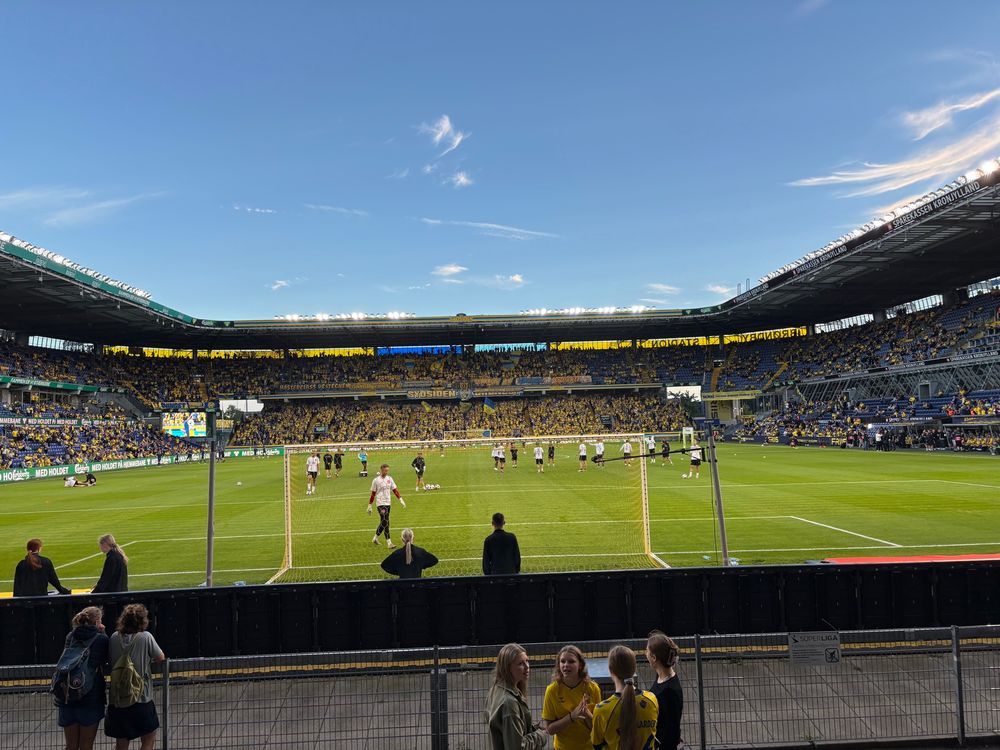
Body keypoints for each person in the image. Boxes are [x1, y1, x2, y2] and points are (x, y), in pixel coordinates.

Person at [105, 603, 165, 750]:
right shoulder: (145, 637)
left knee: (121, 742)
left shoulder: (113, 637)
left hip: (118, 698)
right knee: (149, 737)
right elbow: (160, 657)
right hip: (141, 696)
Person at [57, 606, 110, 750]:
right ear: (98, 621)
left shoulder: (70, 636)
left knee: (71, 746)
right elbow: (107, 660)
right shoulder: (102, 639)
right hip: (90, 697)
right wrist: (103, 632)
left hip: (67, 694)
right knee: (86, 745)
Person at [591, 644, 658, 750]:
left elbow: (597, 744)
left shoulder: (602, 710)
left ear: (610, 670)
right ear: (634, 668)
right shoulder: (651, 700)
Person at [485, 643, 547, 750]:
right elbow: (517, 747)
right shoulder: (510, 702)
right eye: (520, 663)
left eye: (527, 661)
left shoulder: (495, 690)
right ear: (507, 667)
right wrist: (541, 735)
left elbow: (503, 731)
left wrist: (529, 727)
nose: (527, 667)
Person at [541, 644, 602, 750]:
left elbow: (597, 729)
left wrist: (587, 714)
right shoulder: (552, 691)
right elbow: (550, 729)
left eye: (571, 661)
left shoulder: (592, 688)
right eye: (562, 661)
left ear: (580, 665)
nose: (566, 665)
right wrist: (571, 717)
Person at [646, 630, 683, 750]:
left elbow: (670, 731)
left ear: (654, 658)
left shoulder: (669, 691)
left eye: (647, 651)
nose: (645, 653)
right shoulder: (662, 677)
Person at [368, 463, 405, 547]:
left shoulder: (390, 479)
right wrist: (370, 505)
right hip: (380, 503)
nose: (386, 472)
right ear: (381, 470)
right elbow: (373, 494)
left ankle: (375, 538)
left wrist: (400, 499)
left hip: (388, 503)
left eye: (387, 470)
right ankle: (389, 543)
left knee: (383, 522)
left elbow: (395, 490)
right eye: (385, 470)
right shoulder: (376, 480)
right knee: (386, 521)